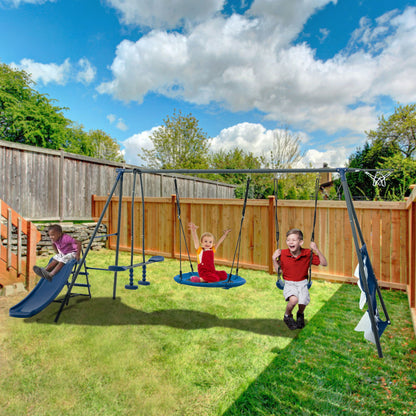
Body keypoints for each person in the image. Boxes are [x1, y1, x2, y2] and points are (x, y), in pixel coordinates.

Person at [272, 228, 327, 330]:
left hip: (302, 283)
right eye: (288, 240)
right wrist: (274, 259)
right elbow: (279, 271)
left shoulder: (307, 253)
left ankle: (300, 314)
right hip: (289, 283)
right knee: (294, 300)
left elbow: (324, 263)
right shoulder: (283, 254)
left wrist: (316, 250)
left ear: (301, 242)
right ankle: (287, 316)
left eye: (293, 240)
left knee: (303, 302)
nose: (290, 242)